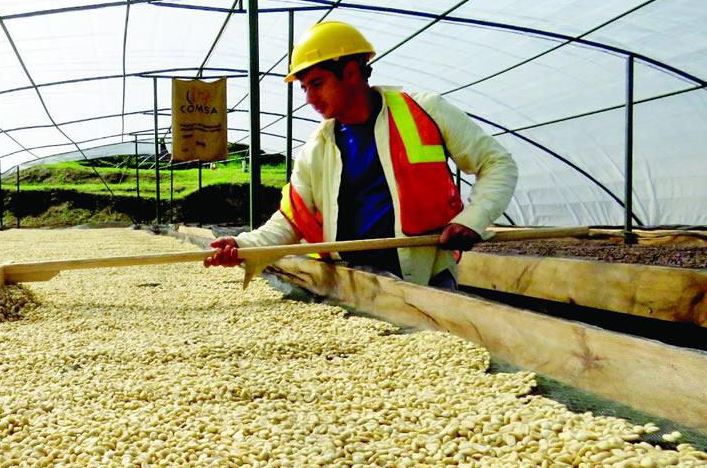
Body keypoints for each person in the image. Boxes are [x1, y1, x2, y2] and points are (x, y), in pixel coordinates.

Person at [205, 20, 517, 288]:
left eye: (317, 83)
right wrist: (242, 245)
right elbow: (290, 221)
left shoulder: (424, 110)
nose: (310, 98)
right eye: (304, 88)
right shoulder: (317, 148)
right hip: (351, 281)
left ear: (352, 72)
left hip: (426, 276)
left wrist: (473, 219)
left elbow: (497, 163)